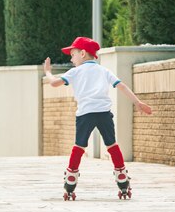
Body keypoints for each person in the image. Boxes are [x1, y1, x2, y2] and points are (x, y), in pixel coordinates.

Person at [43, 36, 153, 200]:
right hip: (103, 113)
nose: (71, 59)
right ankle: (122, 179)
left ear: (82, 53)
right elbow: (121, 85)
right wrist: (137, 102)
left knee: (79, 147)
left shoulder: (76, 71)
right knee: (112, 145)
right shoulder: (104, 70)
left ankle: (71, 181)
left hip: (85, 114)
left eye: (72, 55)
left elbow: (54, 83)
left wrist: (48, 72)